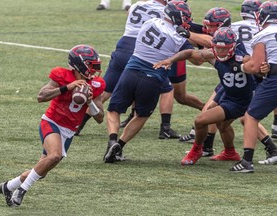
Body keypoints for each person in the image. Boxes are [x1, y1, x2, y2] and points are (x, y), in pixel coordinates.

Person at [0, 45, 106, 206]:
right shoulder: (62, 75)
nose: (94, 70)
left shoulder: (97, 84)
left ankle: (8, 186)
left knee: (41, 172)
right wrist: (67, 87)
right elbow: (41, 96)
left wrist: (90, 102)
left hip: (69, 131)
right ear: (79, 64)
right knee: (54, 155)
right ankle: (22, 190)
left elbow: (100, 118)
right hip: (52, 122)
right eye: (91, 65)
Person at [153, 27, 266, 166]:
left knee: (200, 120)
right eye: (217, 48)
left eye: (224, 49)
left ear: (233, 47)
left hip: (243, 100)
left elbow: (258, 71)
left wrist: (262, 69)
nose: (220, 51)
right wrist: (170, 60)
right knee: (222, 125)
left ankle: (197, 150)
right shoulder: (212, 55)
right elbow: (189, 53)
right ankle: (230, 152)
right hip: (230, 97)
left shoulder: (243, 58)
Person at [103, 1, 194, 163]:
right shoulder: (178, 38)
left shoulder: (149, 22)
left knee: (113, 110)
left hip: (131, 70)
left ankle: (112, 140)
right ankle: (120, 145)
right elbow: (196, 58)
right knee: (142, 115)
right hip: (152, 78)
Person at [178, 7, 232, 158]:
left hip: (242, 82)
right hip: (228, 81)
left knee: (248, 118)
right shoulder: (218, 33)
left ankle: (269, 148)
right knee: (211, 112)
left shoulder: (226, 38)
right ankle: (209, 147)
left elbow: (207, 47)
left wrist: (187, 35)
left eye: (211, 26)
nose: (206, 29)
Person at [229, 1, 277, 173]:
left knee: (250, 117)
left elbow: (254, 67)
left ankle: (247, 161)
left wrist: (238, 67)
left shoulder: (262, 35)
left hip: (275, 80)